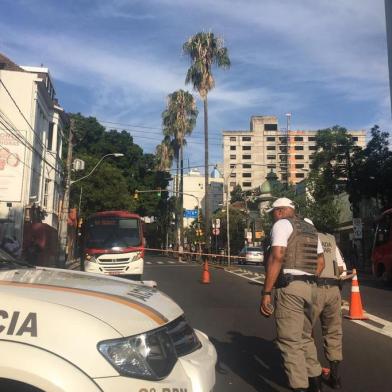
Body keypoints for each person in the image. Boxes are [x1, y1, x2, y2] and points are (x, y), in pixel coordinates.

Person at [260, 198, 325, 392]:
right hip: (312, 287)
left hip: (290, 288)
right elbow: (320, 262)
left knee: (290, 341)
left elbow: (278, 255)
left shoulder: (282, 224)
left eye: (274, 212)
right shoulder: (310, 227)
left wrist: (266, 292)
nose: (273, 215)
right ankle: (316, 384)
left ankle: (300, 387)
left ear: (280, 211)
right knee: (306, 338)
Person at [313, 226, 346, 390]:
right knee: (333, 333)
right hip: (334, 289)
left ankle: (314, 378)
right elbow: (341, 268)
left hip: (314, 288)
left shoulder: (307, 236)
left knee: (305, 333)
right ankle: (335, 378)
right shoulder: (331, 240)